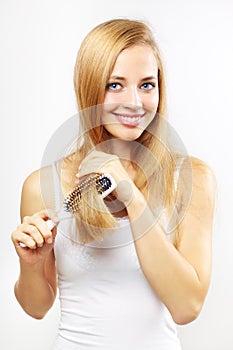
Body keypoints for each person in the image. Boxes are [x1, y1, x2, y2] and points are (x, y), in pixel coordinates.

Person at [11, 18, 216, 350]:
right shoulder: (42, 185)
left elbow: (187, 307)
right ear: (89, 89)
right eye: (115, 85)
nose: (134, 102)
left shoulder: (192, 180)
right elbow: (36, 307)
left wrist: (132, 199)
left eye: (147, 85)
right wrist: (30, 263)